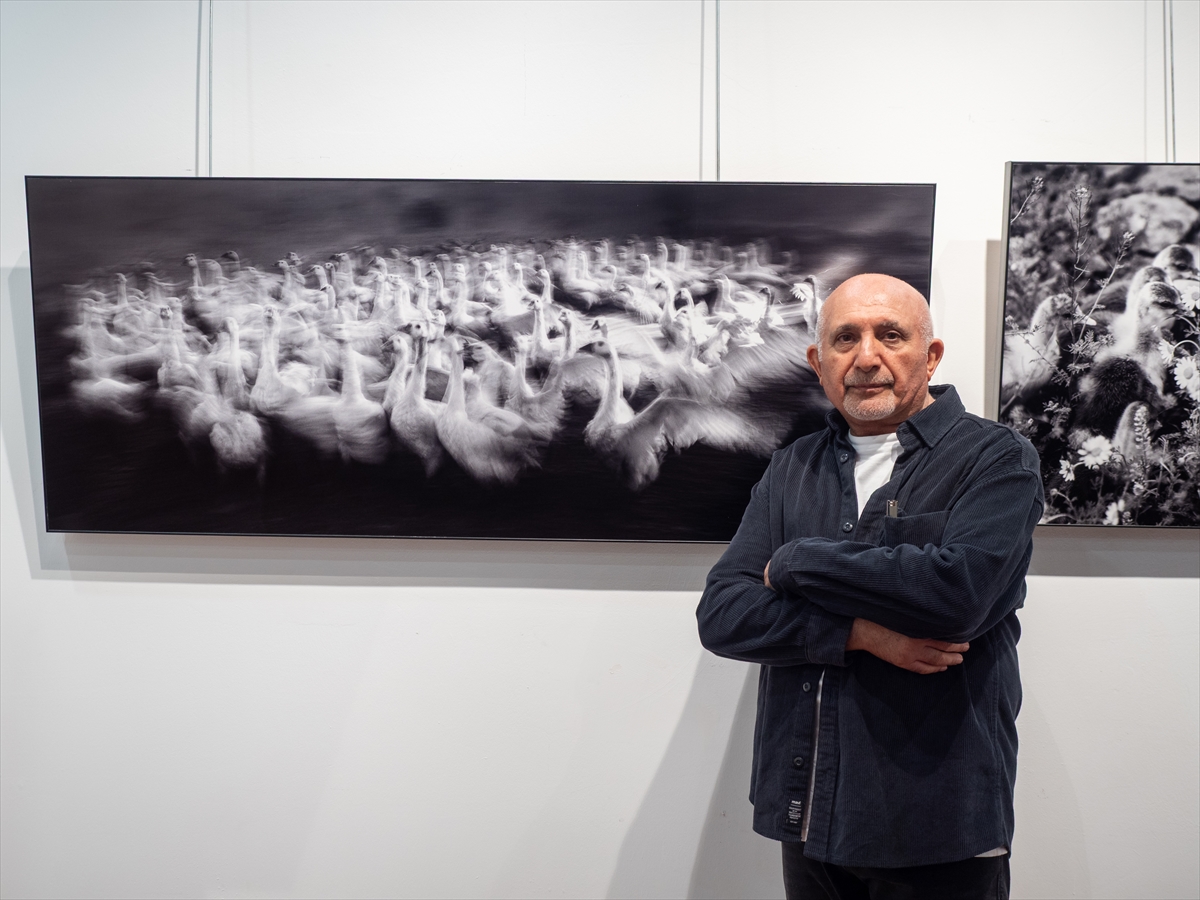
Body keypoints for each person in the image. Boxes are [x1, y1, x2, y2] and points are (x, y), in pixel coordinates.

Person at [696, 273, 1043, 899]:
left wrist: (801, 560)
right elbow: (724, 613)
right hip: (805, 810)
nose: (866, 358)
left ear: (931, 355)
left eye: (890, 335)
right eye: (845, 339)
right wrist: (857, 633)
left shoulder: (996, 458)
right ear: (817, 361)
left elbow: (958, 595)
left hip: (934, 820)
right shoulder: (792, 466)